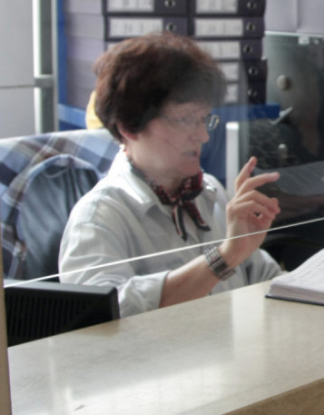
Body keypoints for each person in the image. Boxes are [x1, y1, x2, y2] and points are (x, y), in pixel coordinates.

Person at [59, 32, 284, 318]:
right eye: (186, 119)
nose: (202, 136)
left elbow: (264, 277)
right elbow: (103, 318)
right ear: (129, 125)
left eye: (203, 119)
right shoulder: (98, 218)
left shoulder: (208, 191)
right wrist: (224, 257)